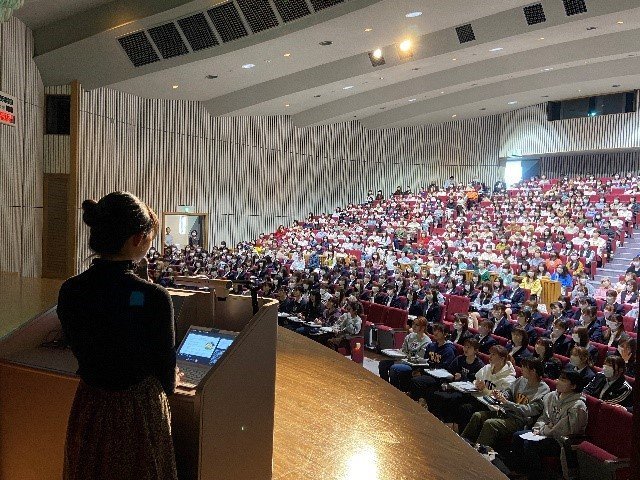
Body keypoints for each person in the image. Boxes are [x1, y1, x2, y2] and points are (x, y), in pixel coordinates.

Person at [57, 192, 178, 480]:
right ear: (137, 239)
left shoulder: (70, 289)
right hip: (136, 412)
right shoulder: (155, 297)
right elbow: (166, 374)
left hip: (90, 404)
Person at [509, 371, 588, 480]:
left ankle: (534, 476)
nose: (558, 382)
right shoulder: (551, 396)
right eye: (559, 378)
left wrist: (544, 430)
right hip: (544, 432)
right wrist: (538, 428)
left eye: (563, 380)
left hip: (561, 441)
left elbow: (565, 429)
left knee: (530, 444)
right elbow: (544, 417)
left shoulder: (578, 405)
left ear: (574, 386)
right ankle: (517, 471)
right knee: (518, 435)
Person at [462, 358, 550, 450]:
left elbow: (529, 410)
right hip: (506, 413)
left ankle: (480, 452)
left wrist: (506, 402)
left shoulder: (543, 390)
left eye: (524, 367)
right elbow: (509, 391)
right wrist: (501, 395)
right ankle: (463, 443)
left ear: (533, 371)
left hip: (520, 420)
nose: (521, 369)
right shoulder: (521, 380)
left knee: (490, 423)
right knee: (477, 416)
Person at [455, 345, 517, 433]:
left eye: (493, 355)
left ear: (502, 359)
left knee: (466, 409)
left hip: (492, 407)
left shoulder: (509, 378)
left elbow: (500, 397)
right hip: (479, 398)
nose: (490, 357)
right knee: (457, 399)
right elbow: (476, 379)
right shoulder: (487, 367)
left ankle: (466, 437)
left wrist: (484, 389)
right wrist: (476, 384)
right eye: (490, 354)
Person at [378, 317, 430, 382]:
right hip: (403, 360)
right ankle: (385, 384)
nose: (413, 326)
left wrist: (406, 356)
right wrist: (397, 352)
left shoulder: (427, 342)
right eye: (413, 324)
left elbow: (419, 359)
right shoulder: (410, 336)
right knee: (383, 364)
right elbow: (403, 350)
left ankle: (394, 389)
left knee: (394, 368)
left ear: (423, 327)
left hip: (414, 366)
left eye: (417, 325)